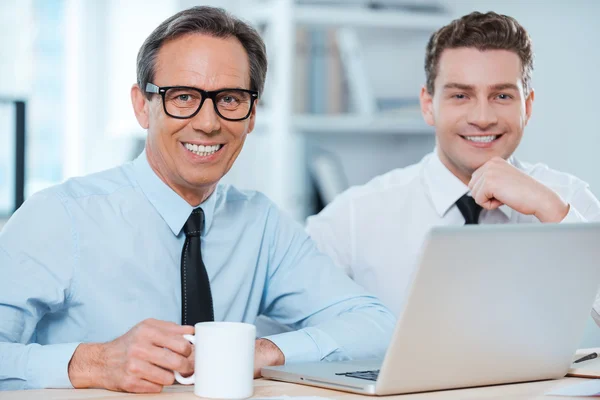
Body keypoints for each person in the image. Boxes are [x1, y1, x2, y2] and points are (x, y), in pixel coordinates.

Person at [0, 6, 395, 393]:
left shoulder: (261, 223)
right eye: (184, 96)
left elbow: (375, 325)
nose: (208, 123)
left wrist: (262, 352)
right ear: (142, 105)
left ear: (252, 113)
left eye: (230, 99)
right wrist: (95, 362)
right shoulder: (60, 216)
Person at [306, 11, 600, 316]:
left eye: (501, 95)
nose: (482, 118)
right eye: (461, 95)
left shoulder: (567, 200)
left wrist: (552, 211)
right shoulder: (357, 214)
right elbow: (274, 324)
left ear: (527, 107)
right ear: (428, 105)